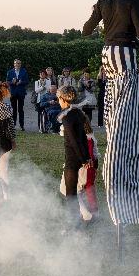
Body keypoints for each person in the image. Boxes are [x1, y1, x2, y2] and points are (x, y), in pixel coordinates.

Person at [82, 0, 139, 249]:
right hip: (126, 54)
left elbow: (85, 30)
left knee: (113, 110)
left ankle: (114, 152)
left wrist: (99, 11)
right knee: (126, 117)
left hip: (106, 54)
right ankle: (120, 174)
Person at [57, 85, 95, 230]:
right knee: (71, 192)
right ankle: (76, 220)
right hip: (79, 158)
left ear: (63, 99)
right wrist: (86, 157)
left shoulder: (67, 116)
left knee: (70, 193)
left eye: (58, 98)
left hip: (72, 160)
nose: (58, 101)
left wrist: (83, 159)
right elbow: (83, 139)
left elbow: (74, 140)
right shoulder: (78, 113)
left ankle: (73, 224)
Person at [6, 59, 29, 132]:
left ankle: (22, 125)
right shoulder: (10, 72)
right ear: (14, 64)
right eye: (16, 63)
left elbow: (27, 81)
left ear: (20, 64)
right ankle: (13, 125)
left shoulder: (24, 71)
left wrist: (21, 82)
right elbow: (7, 82)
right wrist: (12, 82)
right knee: (14, 110)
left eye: (19, 63)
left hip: (21, 92)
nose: (17, 64)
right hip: (13, 93)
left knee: (21, 109)